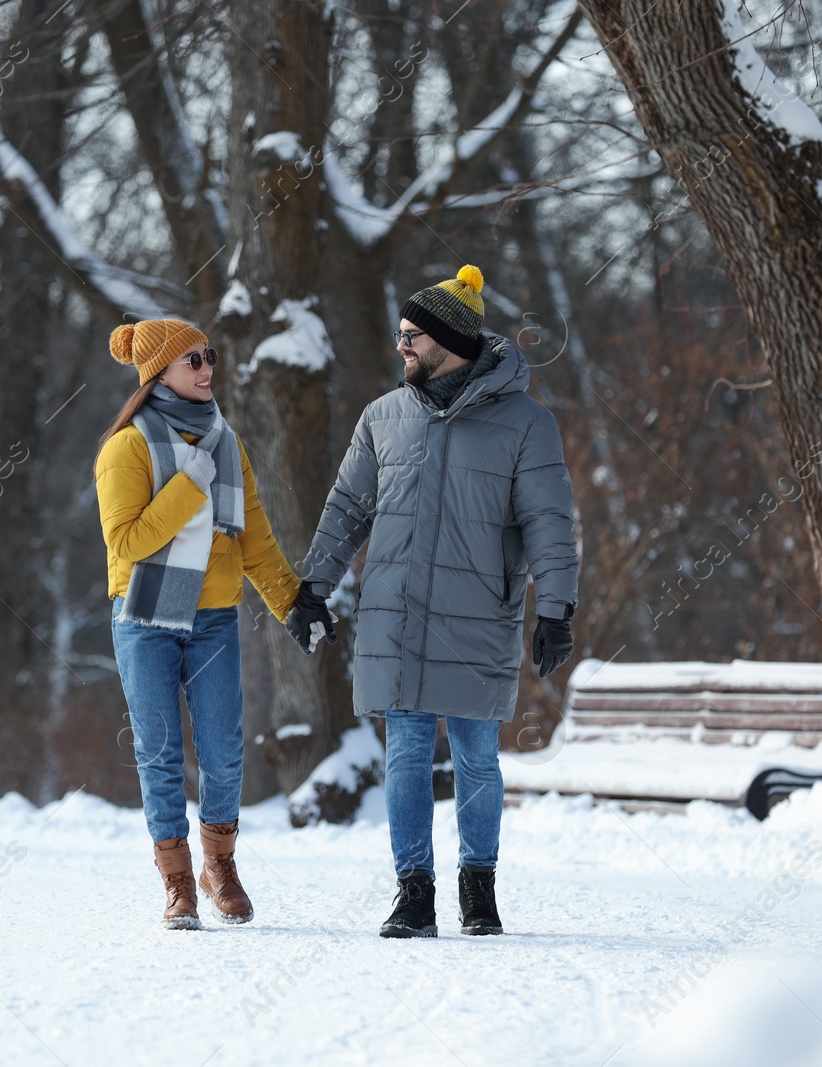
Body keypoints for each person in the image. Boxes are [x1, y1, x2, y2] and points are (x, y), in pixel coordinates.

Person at [285, 265, 578, 938]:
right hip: (398, 611)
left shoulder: (526, 423)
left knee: (477, 752)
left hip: (480, 610)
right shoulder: (383, 417)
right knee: (407, 751)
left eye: (413, 337)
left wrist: (557, 608)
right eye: (399, 336)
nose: (402, 348)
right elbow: (347, 508)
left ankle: (480, 890)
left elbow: (549, 521)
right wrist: (312, 586)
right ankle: (413, 892)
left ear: (451, 339)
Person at [96, 319, 301, 930]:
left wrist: (293, 604)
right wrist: (188, 488)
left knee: (223, 752)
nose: (207, 367)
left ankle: (220, 867)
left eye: (208, 356)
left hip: (212, 615)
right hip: (145, 616)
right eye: (193, 360)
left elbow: (255, 536)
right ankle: (178, 880)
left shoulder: (225, 443)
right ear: (158, 371)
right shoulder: (126, 448)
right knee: (158, 752)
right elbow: (127, 542)